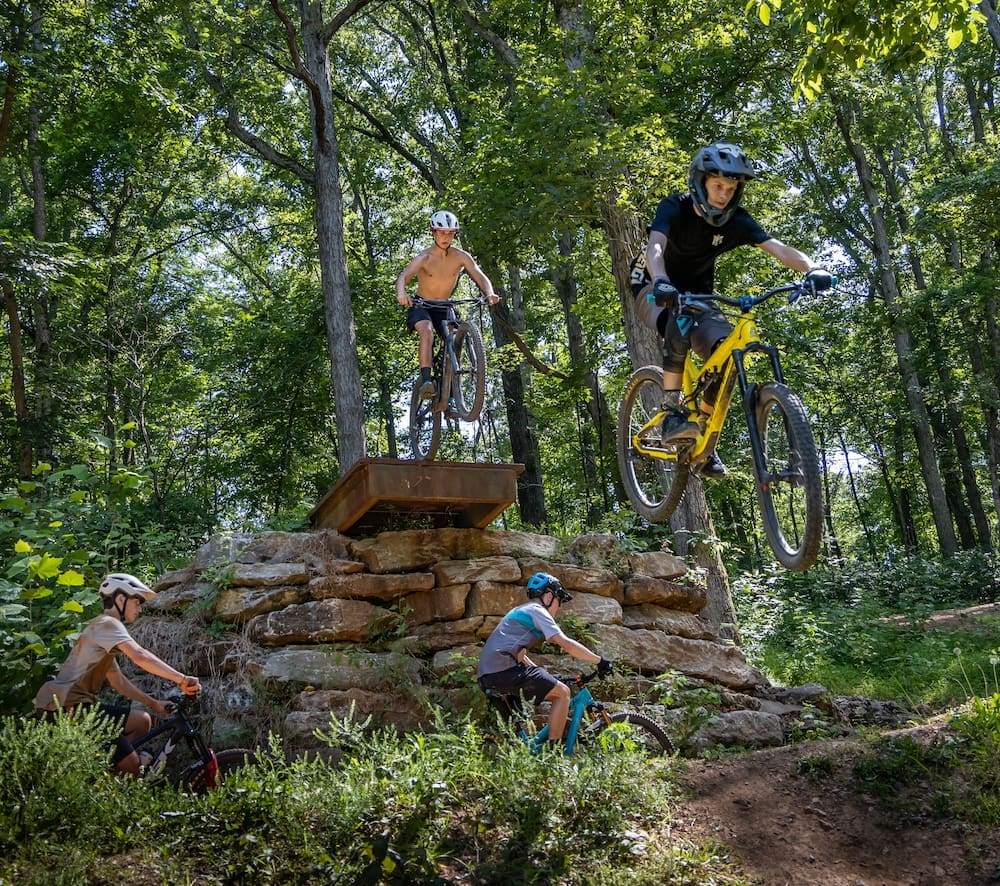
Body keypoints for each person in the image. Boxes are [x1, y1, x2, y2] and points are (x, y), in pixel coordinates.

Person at [630, 141, 833, 478]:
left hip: (699, 295)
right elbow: (655, 248)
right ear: (700, 182)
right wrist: (662, 280)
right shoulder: (674, 207)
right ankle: (670, 412)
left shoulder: (736, 220)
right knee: (680, 318)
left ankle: (703, 435)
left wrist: (813, 268)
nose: (724, 195)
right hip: (652, 284)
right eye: (717, 186)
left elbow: (779, 249)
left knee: (724, 353)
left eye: (731, 188)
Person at [33, 572, 201, 777]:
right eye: (136, 602)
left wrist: (153, 703)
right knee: (134, 769)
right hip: (65, 706)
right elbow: (139, 655)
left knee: (142, 721)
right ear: (121, 599)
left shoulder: (102, 631)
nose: (139, 608)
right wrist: (181, 679)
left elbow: (118, 680)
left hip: (71, 704)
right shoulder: (107, 624)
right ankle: (125, 773)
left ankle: (108, 773)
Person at [477, 571, 613, 747]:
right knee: (563, 693)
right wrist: (600, 661)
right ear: (549, 596)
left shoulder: (519, 611)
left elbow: (520, 656)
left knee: (526, 736)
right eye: (559, 600)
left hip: (488, 676)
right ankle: (554, 754)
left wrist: (547, 676)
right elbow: (566, 644)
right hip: (504, 672)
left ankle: (531, 758)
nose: (559, 607)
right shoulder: (537, 610)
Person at [396, 210, 501, 398]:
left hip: (444, 306)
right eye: (442, 233)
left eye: (450, 233)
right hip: (422, 305)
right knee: (427, 332)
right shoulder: (424, 257)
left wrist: (490, 292)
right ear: (433, 232)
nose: (446, 237)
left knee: (453, 340)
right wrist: (402, 293)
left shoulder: (461, 256)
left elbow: (479, 275)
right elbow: (403, 277)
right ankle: (426, 382)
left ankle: (452, 397)